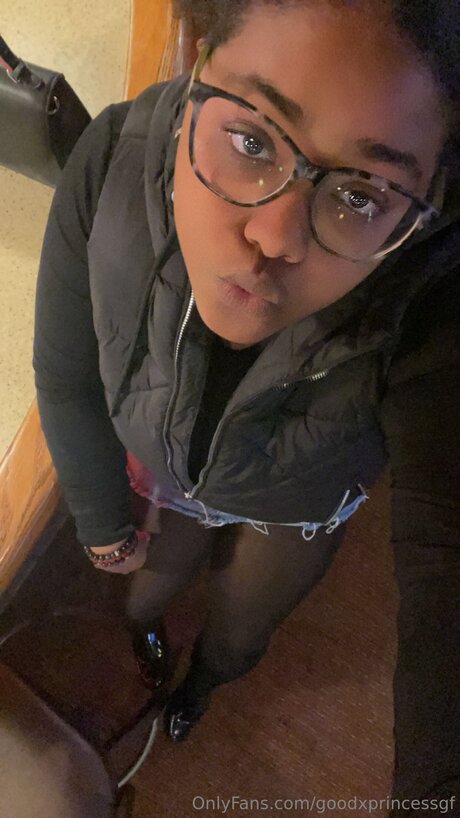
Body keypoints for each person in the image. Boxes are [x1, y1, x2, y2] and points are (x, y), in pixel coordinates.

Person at [33, 0, 459, 812]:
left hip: (292, 507)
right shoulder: (115, 159)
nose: (275, 237)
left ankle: (200, 689)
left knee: (237, 636)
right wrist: (99, 518)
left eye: (362, 195)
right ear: (196, 59)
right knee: (144, 596)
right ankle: (152, 644)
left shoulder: (431, 298)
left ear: (430, 195)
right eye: (253, 140)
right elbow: (64, 371)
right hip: (168, 474)